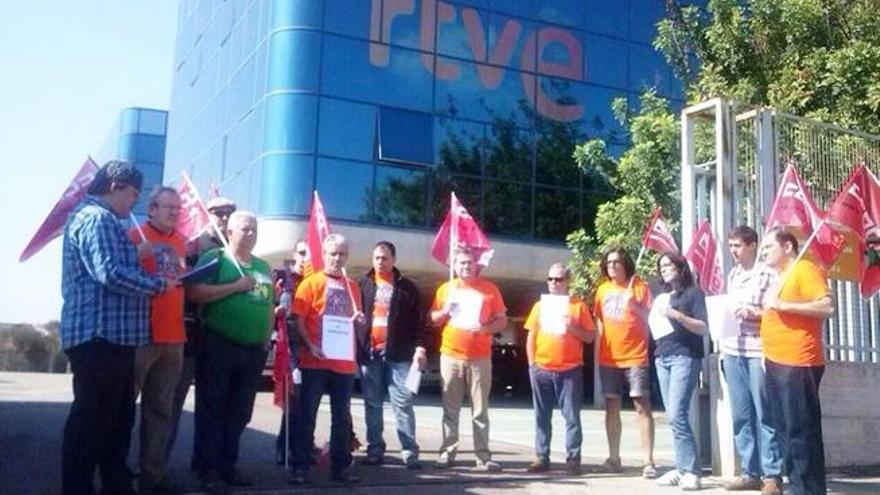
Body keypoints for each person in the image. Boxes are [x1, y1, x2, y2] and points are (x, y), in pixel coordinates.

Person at [60, 160, 170, 495]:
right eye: (132, 194)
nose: (133, 203)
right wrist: (157, 285)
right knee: (93, 420)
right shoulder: (97, 218)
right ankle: (78, 488)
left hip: (113, 338)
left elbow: (110, 267)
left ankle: (115, 483)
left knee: (118, 421)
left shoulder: (101, 220)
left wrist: (135, 254)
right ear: (114, 185)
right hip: (100, 337)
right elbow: (108, 272)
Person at [188, 211, 274, 493]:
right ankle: (207, 468)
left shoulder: (262, 267)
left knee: (239, 412)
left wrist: (265, 339)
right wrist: (235, 287)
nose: (251, 234)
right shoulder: (216, 258)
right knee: (212, 408)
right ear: (231, 231)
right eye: (245, 229)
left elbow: (268, 305)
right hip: (219, 344)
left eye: (255, 229)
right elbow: (195, 293)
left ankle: (228, 464)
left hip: (252, 352)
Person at [760, 228, 834, 495]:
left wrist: (783, 305)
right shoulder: (779, 277)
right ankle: (796, 485)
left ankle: (809, 489)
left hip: (798, 363)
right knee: (785, 431)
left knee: (801, 432)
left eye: (769, 247)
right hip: (776, 362)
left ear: (788, 248)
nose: (764, 252)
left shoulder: (804, 268)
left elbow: (826, 306)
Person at [166, 197, 237, 472]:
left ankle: (205, 466)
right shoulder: (192, 246)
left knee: (212, 406)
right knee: (172, 403)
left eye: (229, 212)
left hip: (219, 338)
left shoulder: (234, 251)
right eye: (218, 212)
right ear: (207, 214)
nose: (224, 217)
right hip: (189, 334)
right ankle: (155, 468)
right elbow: (183, 287)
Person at [289, 233, 364, 485]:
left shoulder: (352, 287)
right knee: (307, 415)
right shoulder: (310, 283)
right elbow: (298, 319)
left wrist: (358, 322)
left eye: (342, 254)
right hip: (315, 361)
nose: (337, 258)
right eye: (332, 253)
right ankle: (300, 467)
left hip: (343, 364)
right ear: (324, 254)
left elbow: (352, 319)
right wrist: (310, 345)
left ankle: (340, 467)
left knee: (341, 417)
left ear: (347, 256)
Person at [128, 186, 187, 493]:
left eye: (178, 208)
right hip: (141, 334)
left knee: (161, 411)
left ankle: (152, 473)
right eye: (169, 207)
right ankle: (117, 471)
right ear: (151, 209)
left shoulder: (181, 241)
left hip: (174, 337)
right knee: (125, 407)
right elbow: (119, 276)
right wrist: (136, 256)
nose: (175, 212)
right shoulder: (134, 235)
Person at [430, 247, 508, 471]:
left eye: (469, 263)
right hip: (450, 355)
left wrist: (484, 328)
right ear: (455, 266)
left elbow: (502, 321)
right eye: (461, 263)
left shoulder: (489, 289)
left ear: (476, 265)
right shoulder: (446, 289)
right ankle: (447, 453)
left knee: (480, 409)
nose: (465, 266)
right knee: (450, 407)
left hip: (480, 358)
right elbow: (433, 319)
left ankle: (483, 457)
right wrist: (444, 310)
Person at [721, 226, 784, 494]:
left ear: (753, 246)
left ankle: (772, 474)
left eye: (737, 246)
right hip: (733, 348)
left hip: (758, 349)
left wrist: (751, 313)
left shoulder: (768, 274)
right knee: (741, 413)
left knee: (765, 412)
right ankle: (750, 471)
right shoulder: (734, 275)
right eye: (731, 245)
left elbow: (775, 310)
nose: (733, 251)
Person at [357, 241, 427, 469]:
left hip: (399, 355)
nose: (380, 262)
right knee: (372, 404)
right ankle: (375, 449)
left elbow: (419, 322)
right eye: (376, 257)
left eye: (384, 258)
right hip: (370, 354)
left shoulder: (407, 288)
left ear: (394, 260)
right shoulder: (362, 284)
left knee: (402, 404)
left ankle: (409, 451)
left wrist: (420, 347)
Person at [524, 263, 595, 475]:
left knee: (572, 416)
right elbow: (531, 337)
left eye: (559, 279)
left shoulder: (578, 306)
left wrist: (571, 326)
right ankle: (541, 457)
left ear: (567, 281)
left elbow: (590, 337)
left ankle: (573, 459)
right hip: (542, 369)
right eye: (551, 279)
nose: (554, 283)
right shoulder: (539, 306)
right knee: (541, 416)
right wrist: (531, 365)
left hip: (570, 370)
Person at [592, 247, 657, 477]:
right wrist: (599, 350)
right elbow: (599, 321)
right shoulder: (601, 290)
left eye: (617, 262)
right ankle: (614, 457)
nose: (612, 266)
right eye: (609, 263)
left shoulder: (640, 287)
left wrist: (635, 305)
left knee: (642, 406)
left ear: (626, 264)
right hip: (609, 358)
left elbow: (652, 318)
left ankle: (648, 461)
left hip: (636, 356)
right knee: (611, 407)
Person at [653, 251, 708, 491]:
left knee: (678, 414)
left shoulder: (694, 294)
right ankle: (681, 467)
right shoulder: (662, 296)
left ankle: (692, 470)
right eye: (661, 266)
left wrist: (677, 315)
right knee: (673, 417)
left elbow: (703, 327)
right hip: (662, 356)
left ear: (680, 267)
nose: (664, 268)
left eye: (668, 264)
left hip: (684, 357)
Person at [274, 240, 308, 466]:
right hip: (290, 349)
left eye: (310, 254)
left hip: (310, 349)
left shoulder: (317, 280)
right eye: (302, 253)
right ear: (294, 254)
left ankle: (302, 446)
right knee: (292, 401)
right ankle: (283, 448)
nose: (306, 258)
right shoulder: (281, 278)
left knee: (306, 403)